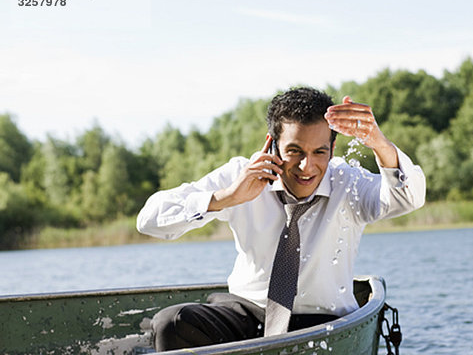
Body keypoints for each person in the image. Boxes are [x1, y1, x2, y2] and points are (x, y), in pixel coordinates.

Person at [137, 87, 426, 351]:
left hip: (325, 324)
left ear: (332, 149)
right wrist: (227, 197)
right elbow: (148, 219)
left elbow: (408, 197)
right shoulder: (241, 174)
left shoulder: (347, 182)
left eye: (319, 152)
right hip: (246, 314)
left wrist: (379, 144)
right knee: (171, 322)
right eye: (294, 151)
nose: (306, 166)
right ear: (273, 145)